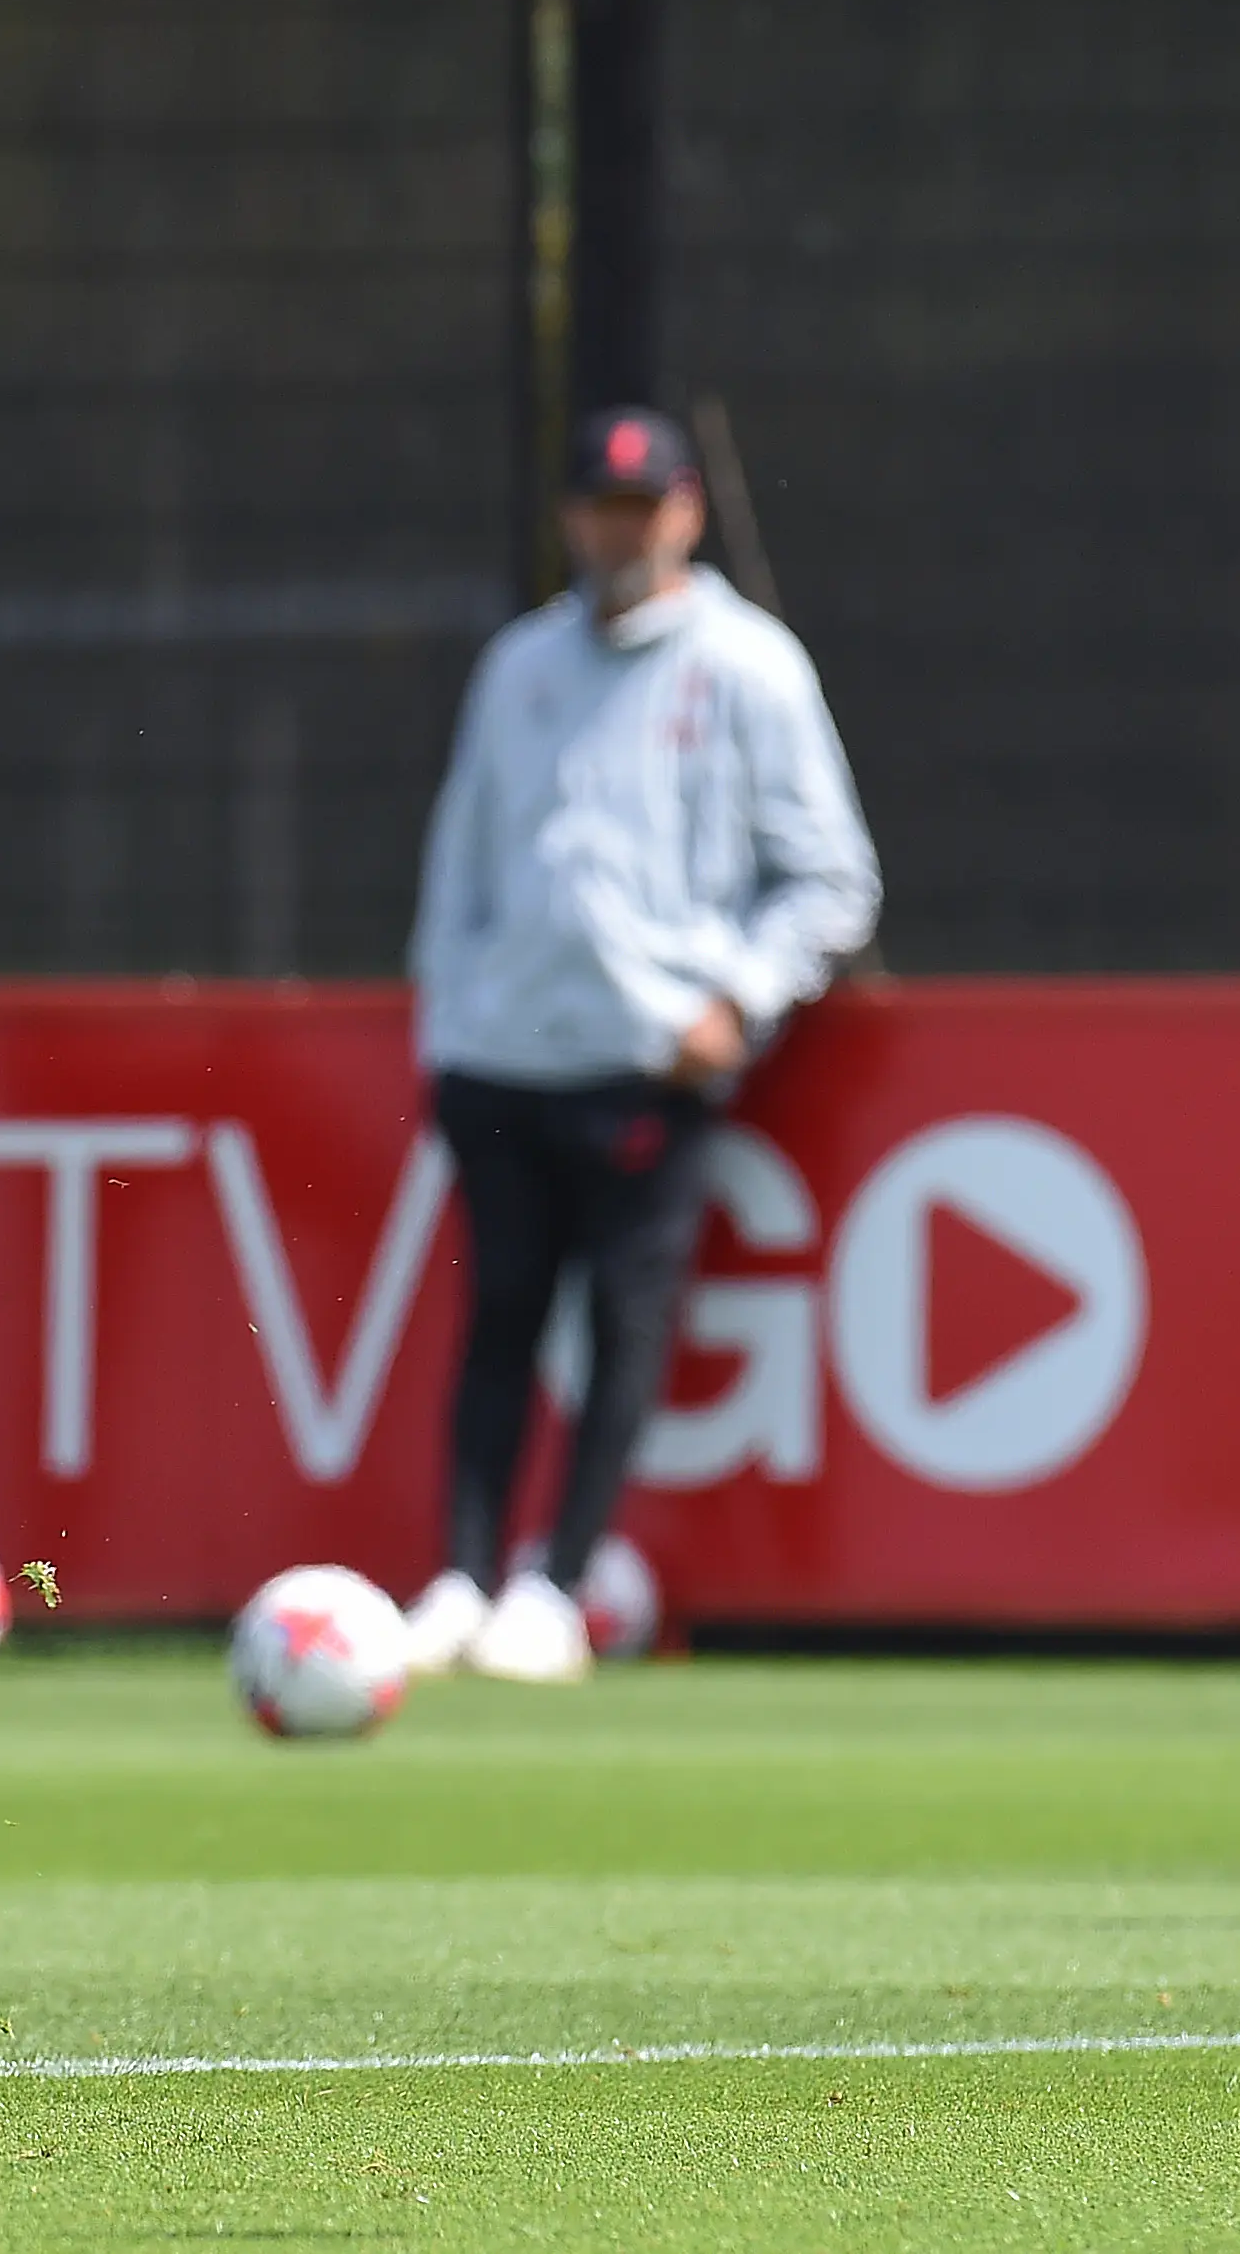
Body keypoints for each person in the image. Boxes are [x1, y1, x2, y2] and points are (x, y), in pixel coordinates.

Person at [402, 405, 878, 1683]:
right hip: (505, 1050)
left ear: (685, 513)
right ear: (572, 518)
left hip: (646, 1054)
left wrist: (735, 1003)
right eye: (600, 508)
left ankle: (556, 1583)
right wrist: (445, 1024)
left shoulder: (749, 666)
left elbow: (830, 878)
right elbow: (464, 863)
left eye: (643, 506)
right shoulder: (521, 666)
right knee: (497, 1318)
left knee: (624, 1322)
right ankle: (457, 1575)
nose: (621, 530)